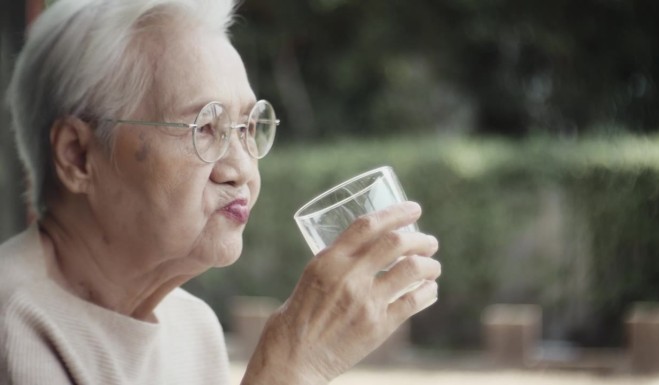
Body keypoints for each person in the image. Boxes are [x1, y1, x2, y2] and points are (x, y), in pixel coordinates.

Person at [0, 0, 441, 383]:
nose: (241, 170)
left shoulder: (194, 328)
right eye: (204, 127)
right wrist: (289, 368)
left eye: (248, 127)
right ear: (77, 156)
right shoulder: (15, 325)